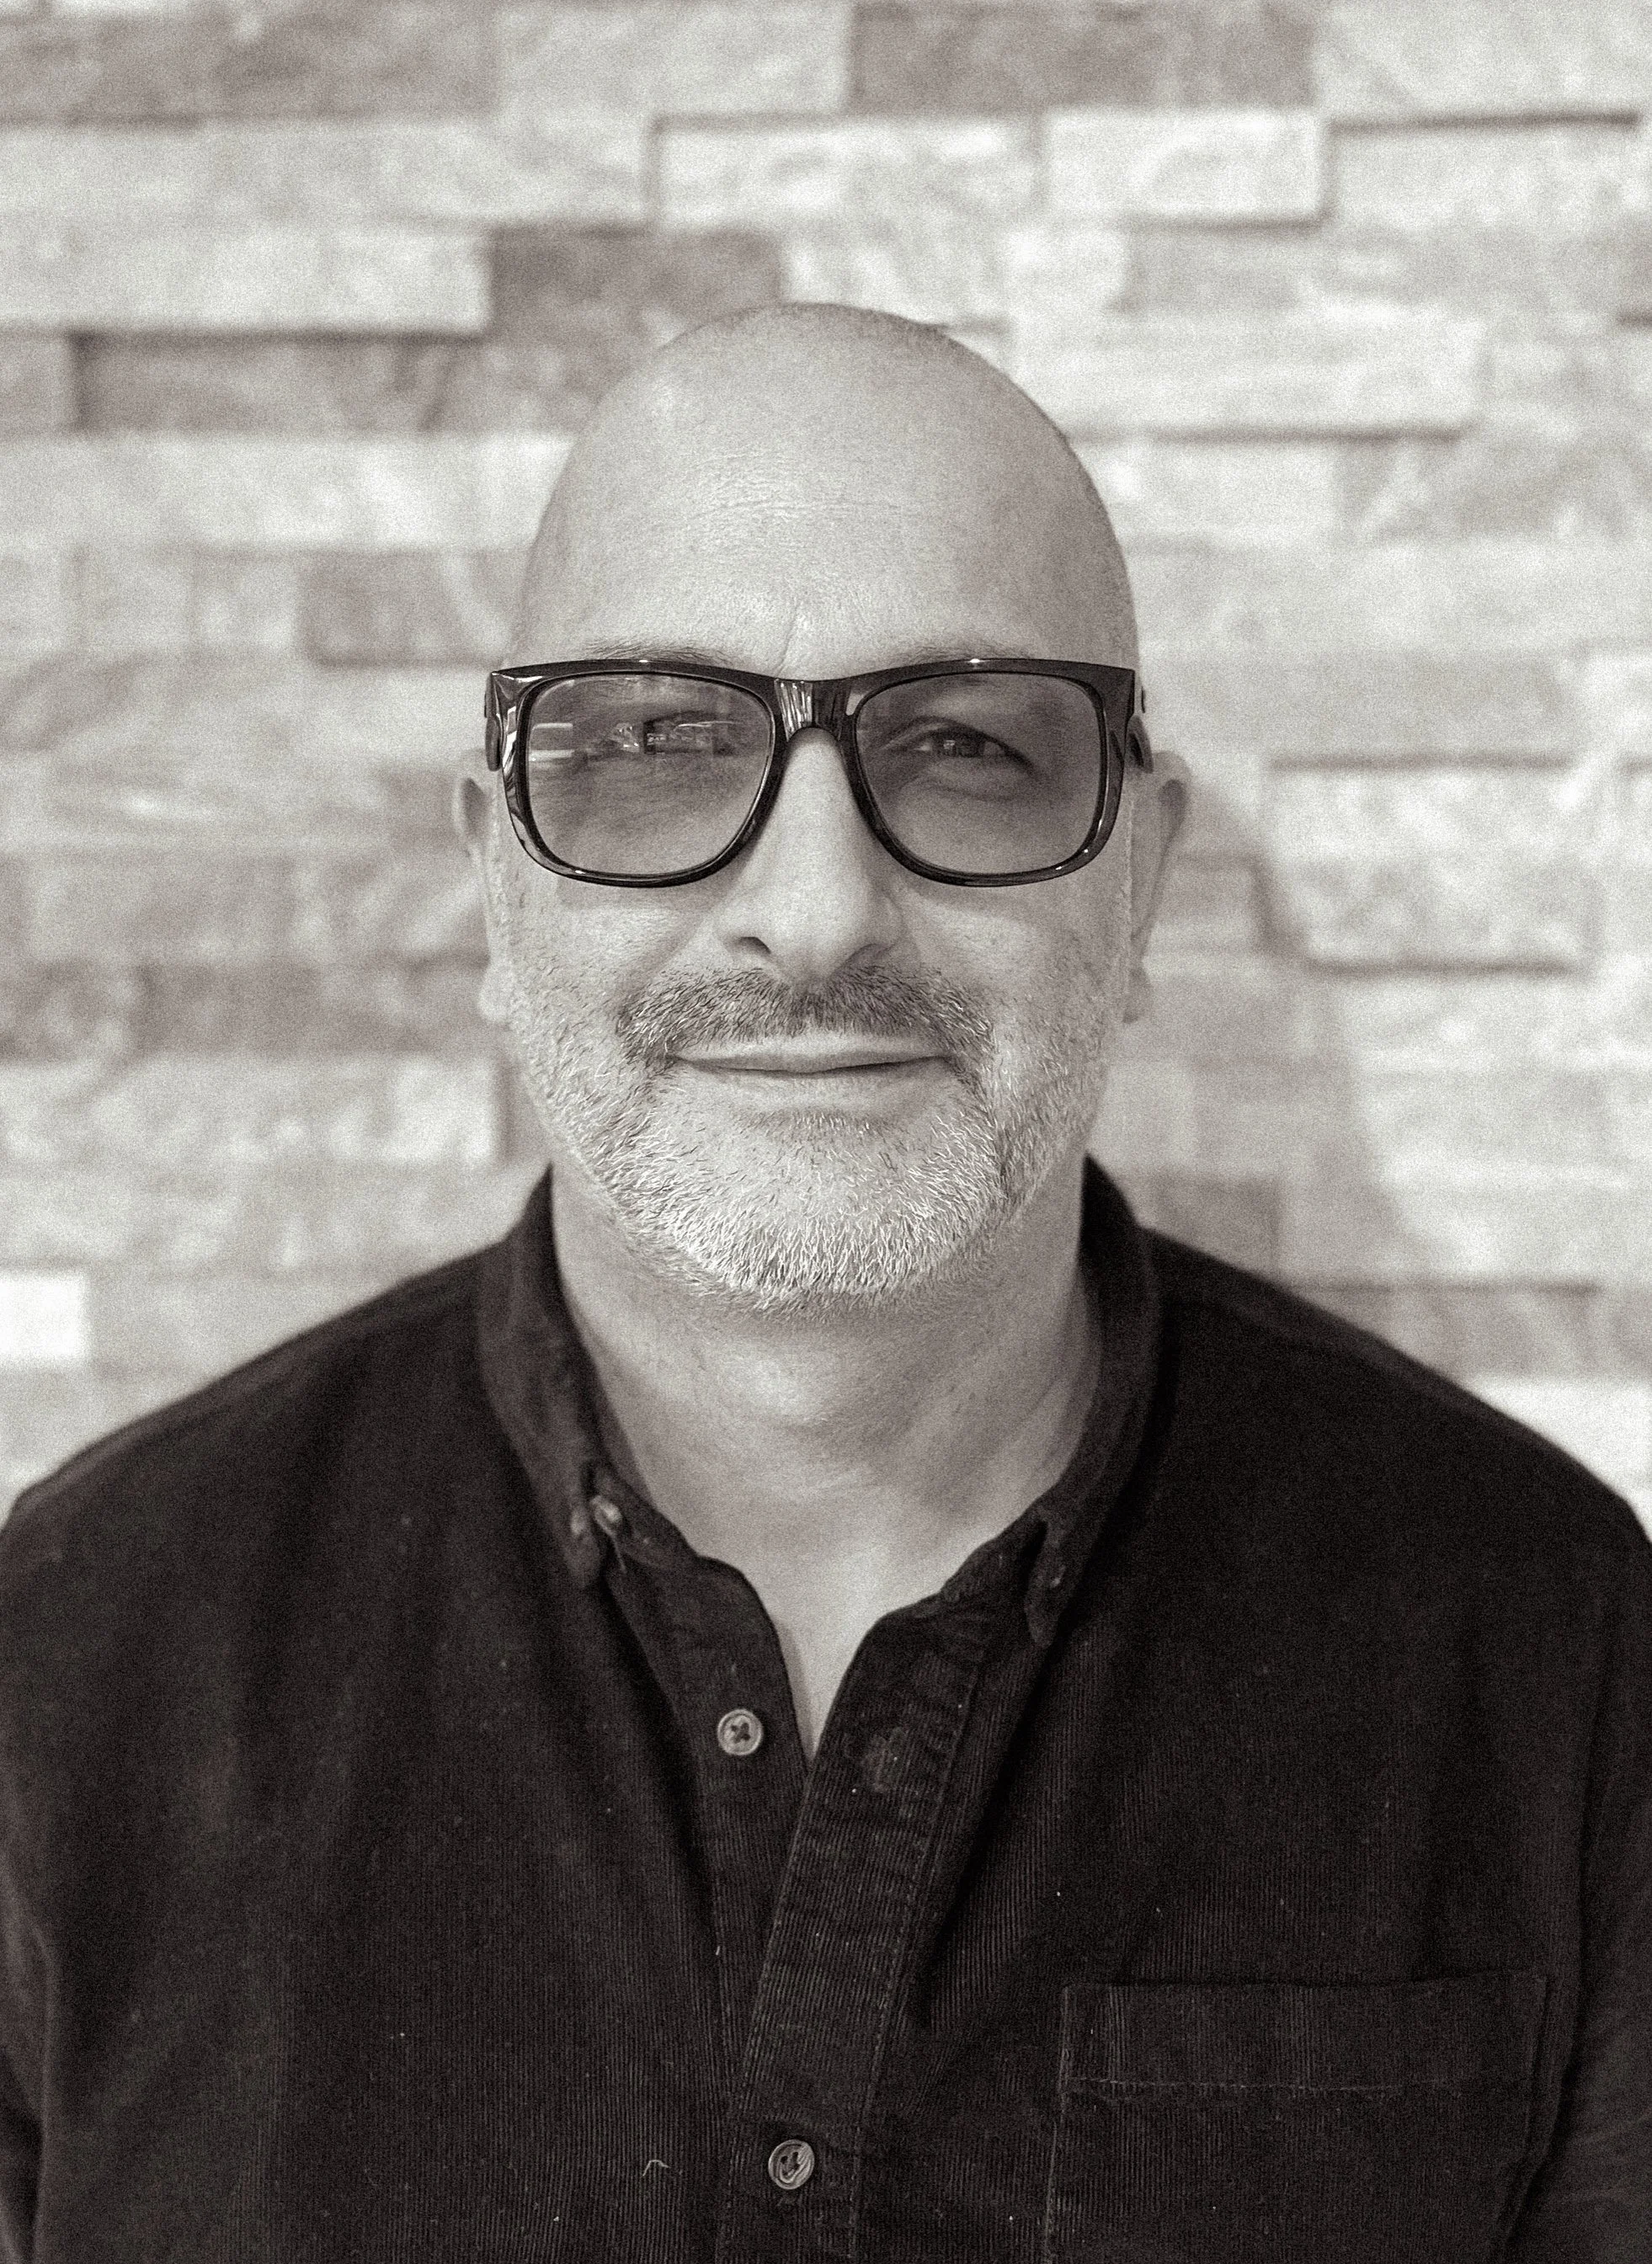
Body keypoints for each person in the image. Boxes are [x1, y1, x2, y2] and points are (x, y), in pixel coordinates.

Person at [0, 304, 1646, 2264]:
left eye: (965, 750)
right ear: (493, 883)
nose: (815, 909)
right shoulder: (78, 1662)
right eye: (651, 747)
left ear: (1142, 885)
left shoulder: (1551, 1654)